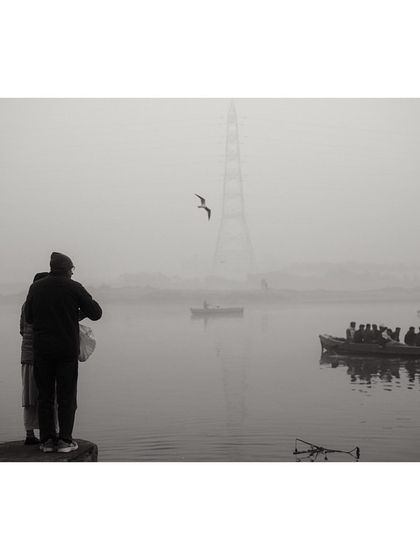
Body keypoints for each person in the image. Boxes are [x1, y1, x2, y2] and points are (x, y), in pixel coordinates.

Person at [25, 252, 102, 453]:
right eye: (72, 269)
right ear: (67, 268)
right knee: (67, 396)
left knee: (45, 396)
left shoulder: (36, 287)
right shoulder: (74, 287)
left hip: (42, 351)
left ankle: (48, 441)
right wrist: (73, 314)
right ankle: (65, 440)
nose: (72, 272)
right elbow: (96, 313)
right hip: (67, 350)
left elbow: (30, 317)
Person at [20, 272, 49, 444]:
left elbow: (22, 330)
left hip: (27, 356)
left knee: (29, 398)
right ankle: (50, 434)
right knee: (47, 397)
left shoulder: (26, 305)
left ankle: (30, 434)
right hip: (41, 357)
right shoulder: (42, 305)